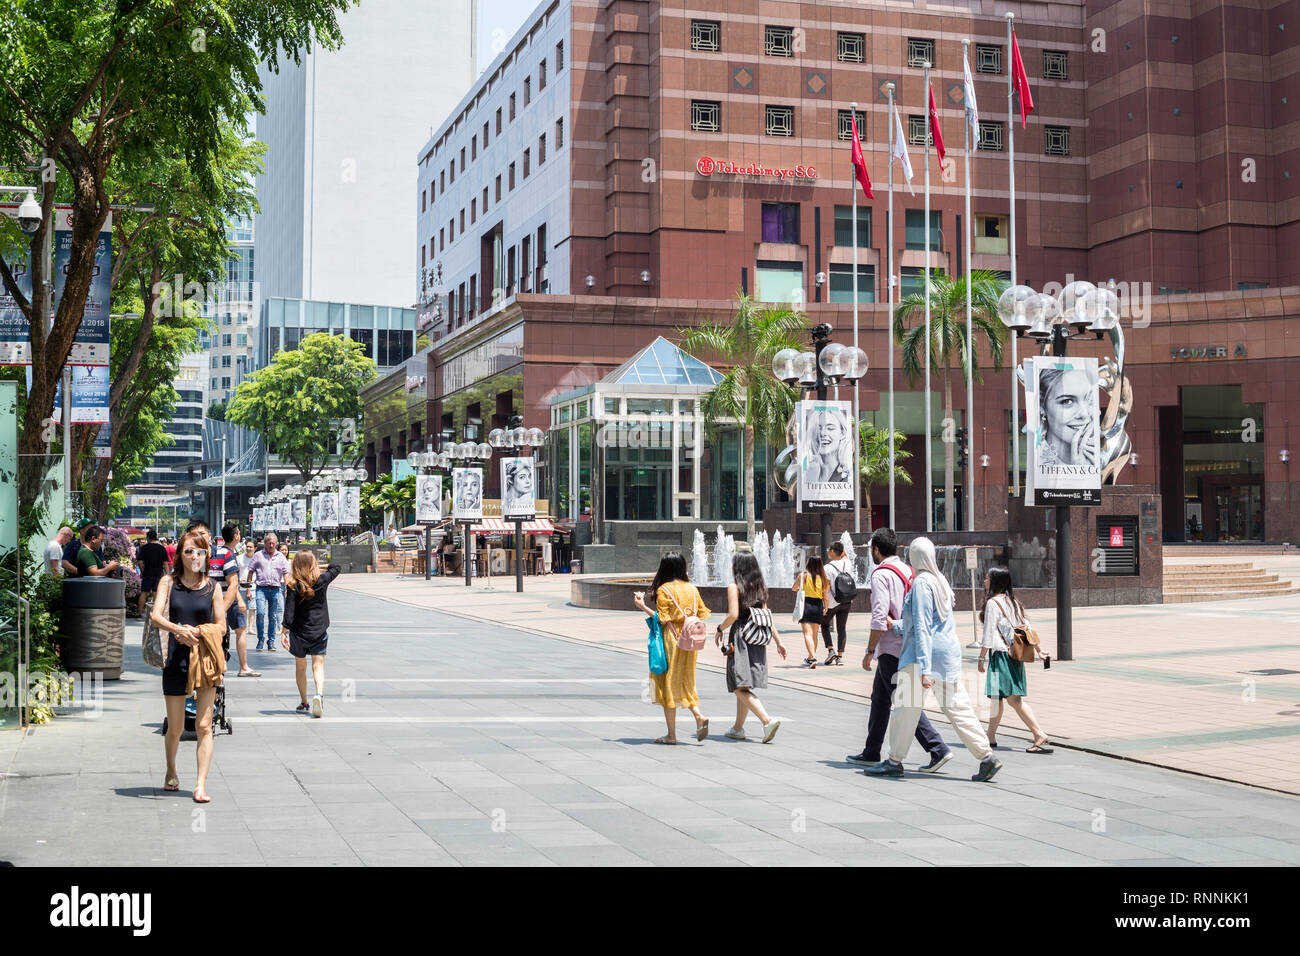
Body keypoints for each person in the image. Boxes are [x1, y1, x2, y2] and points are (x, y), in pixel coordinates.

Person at [864, 537, 1001, 781]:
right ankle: (986, 757)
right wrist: (896, 625)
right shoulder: (941, 581)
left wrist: (924, 669)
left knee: (905, 710)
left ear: (915, 558)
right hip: (946, 656)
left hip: (920, 658)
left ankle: (894, 761)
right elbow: (932, 622)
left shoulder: (921, 584)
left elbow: (924, 627)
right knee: (958, 708)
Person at [848, 528, 952, 771]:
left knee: (905, 703)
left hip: (891, 648)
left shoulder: (880, 575)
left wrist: (869, 649)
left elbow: (878, 616)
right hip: (909, 643)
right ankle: (872, 750)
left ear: (876, 549)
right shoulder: (909, 570)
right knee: (880, 699)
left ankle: (938, 748)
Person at [151, 528, 225, 803]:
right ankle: (171, 768)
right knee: (177, 727)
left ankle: (200, 785)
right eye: (189, 551)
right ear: (179, 555)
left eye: (200, 551)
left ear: (207, 555)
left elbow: (222, 625)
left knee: (205, 726)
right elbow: (155, 615)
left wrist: (201, 632)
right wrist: (178, 629)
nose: (195, 556)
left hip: (205, 661)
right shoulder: (168, 583)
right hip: (175, 660)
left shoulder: (213, 587)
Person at [632, 551, 711, 745]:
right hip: (690, 641)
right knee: (685, 680)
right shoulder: (692, 588)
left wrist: (641, 606)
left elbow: (662, 619)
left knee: (668, 682)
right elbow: (702, 612)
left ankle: (671, 735)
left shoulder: (664, 590)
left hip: (672, 641)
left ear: (665, 568)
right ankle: (698, 715)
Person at [978, 567, 1053, 754]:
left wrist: (981, 658)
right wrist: (1039, 650)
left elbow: (988, 633)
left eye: (987, 578)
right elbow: (1026, 629)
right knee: (996, 698)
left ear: (994, 582)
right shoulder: (1014, 602)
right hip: (1014, 655)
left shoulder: (993, 603)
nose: (985, 581)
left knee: (1013, 699)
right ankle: (990, 736)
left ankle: (1038, 733)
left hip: (1001, 656)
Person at [714, 552, 786, 743]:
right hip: (756, 638)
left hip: (740, 638)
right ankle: (738, 728)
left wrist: (719, 628)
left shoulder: (734, 587)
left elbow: (733, 615)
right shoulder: (760, 587)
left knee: (738, 686)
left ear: (738, 567)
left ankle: (767, 720)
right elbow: (766, 618)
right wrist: (779, 642)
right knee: (744, 684)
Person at [280, 550, 342, 717]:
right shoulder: (322, 580)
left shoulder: (293, 584)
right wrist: (316, 566)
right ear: (313, 563)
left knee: (301, 667)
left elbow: (289, 611)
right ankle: (319, 695)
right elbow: (336, 567)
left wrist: (284, 631)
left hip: (299, 632)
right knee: (318, 665)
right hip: (319, 630)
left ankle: (304, 702)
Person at [1037, 366, 1098, 468]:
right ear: (1042, 406)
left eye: (1090, 400)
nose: (1084, 414)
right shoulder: (1036, 461)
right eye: (1067, 401)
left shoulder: (1105, 454)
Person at [248, 533, 290, 652]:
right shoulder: (258, 555)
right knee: (260, 613)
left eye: (273, 543)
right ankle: (261, 639)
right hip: (261, 588)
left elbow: (286, 572)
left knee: (273, 616)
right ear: (265, 543)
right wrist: (248, 587)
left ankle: (271, 641)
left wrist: (288, 587)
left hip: (275, 589)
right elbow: (250, 571)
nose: (271, 545)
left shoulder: (280, 557)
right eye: (269, 543)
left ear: (276, 543)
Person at [792, 555, 829, 668]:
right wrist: (825, 608)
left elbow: (794, 588)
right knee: (814, 635)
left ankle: (812, 658)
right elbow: (825, 596)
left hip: (806, 605)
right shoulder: (823, 579)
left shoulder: (803, 576)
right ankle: (810, 657)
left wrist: (801, 589)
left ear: (809, 564)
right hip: (818, 605)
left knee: (807, 634)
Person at [821, 541, 854, 666]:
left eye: (829, 550)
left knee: (824, 625)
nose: (827, 552)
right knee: (842, 628)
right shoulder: (848, 563)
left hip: (832, 603)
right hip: (846, 601)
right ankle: (840, 657)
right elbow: (844, 554)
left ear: (833, 552)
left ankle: (831, 650)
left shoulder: (827, 568)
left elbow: (826, 588)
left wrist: (825, 605)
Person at [802, 407, 853, 483]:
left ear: (842, 433)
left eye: (830, 428)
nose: (822, 433)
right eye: (818, 428)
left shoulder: (847, 473)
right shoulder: (806, 467)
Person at [136, 530, 170, 614]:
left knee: (144, 593)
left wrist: (142, 571)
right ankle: (155, 613)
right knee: (156, 593)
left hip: (147, 573)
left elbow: (140, 562)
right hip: (158, 574)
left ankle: (139, 613)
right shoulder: (161, 548)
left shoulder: (144, 548)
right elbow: (165, 563)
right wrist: (168, 575)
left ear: (148, 537)